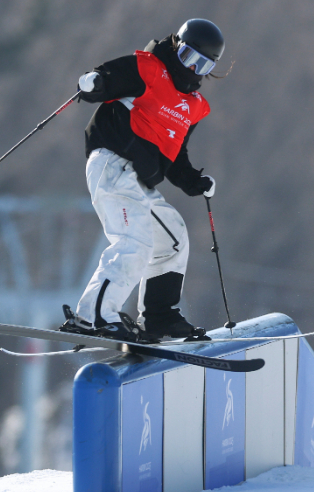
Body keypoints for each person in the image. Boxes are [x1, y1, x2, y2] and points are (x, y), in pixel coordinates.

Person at [60, 18, 225, 343]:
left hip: (137, 182)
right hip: (113, 162)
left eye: (203, 65)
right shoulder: (149, 69)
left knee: (173, 237)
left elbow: (175, 155)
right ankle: (93, 316)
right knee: (134, 241)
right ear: (176, 47)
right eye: (189, 58)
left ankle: (158, 317)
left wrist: (195, 182)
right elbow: (108, 80)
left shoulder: (191, 107)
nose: (192, 69)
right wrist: (94, 82)